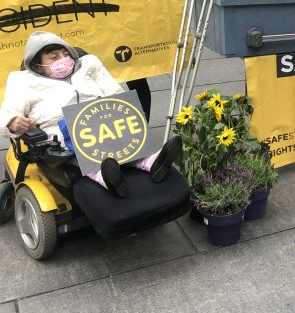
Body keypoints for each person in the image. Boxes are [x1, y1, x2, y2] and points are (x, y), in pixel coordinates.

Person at [0, 31, 181, 198]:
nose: (62, 59)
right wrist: (13, 122)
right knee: (78, 142)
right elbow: (6, 114)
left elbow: (115, 93)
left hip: (105, 122)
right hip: (63, 132)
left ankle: (152, 161)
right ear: (38, 66)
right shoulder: (22, 82)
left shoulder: (88, 65)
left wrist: (130, 112)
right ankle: (105, 176)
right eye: (54, 57)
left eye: (65, 54)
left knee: (123, 132)